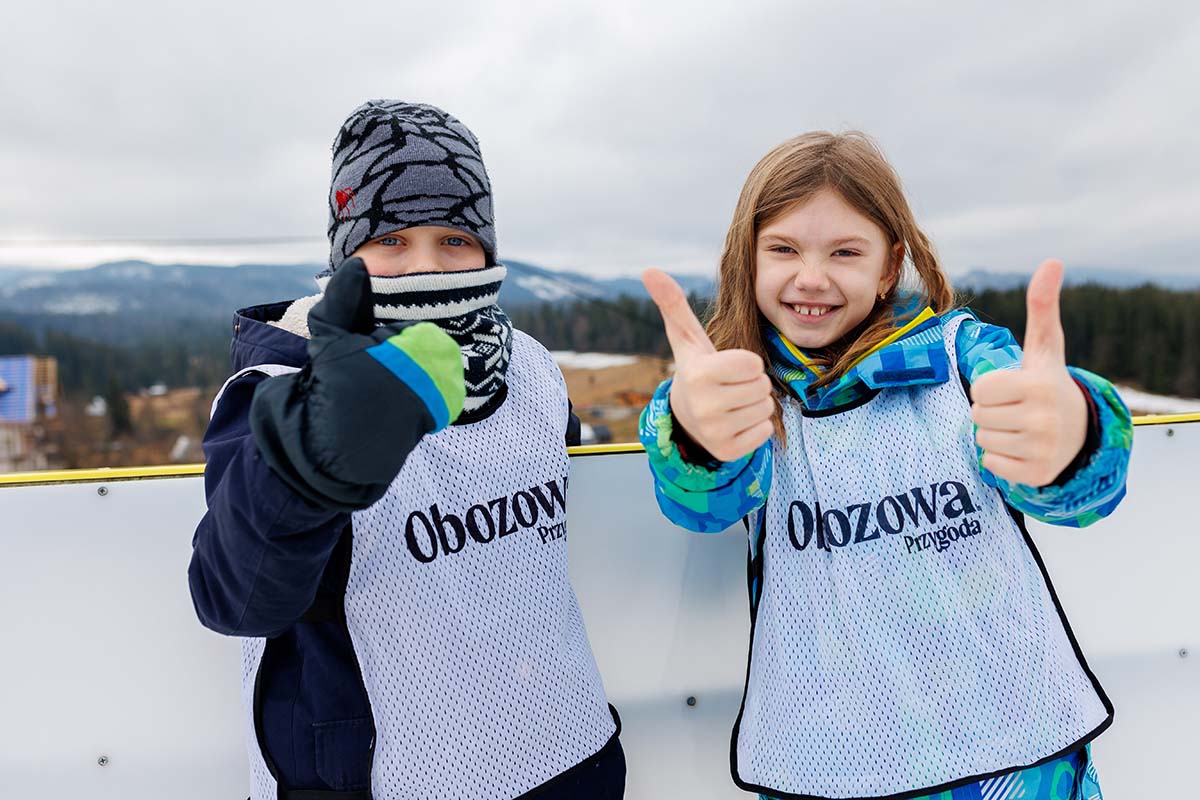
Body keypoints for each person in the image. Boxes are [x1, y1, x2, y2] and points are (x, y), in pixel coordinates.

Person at [639, 131, 1129, 800]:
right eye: (783, 249)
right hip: (830, 765)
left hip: (1015, 758)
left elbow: (1071, 489)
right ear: (746, 257)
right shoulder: (739, 393)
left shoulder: (962, 359)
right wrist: (696, 438)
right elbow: (703, 505)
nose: (812, 278)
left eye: (845, 252)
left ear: (889, 264)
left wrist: (1074, 436)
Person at [189, 100, 624, 800]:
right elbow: (236, 599)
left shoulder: (530, 368)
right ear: (345, 255)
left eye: (454, 238)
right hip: (383, 778)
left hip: (567, 759)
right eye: (390, 240)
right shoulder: (283, 389)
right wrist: (308, 460)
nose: (425, 267)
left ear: (487, 248)